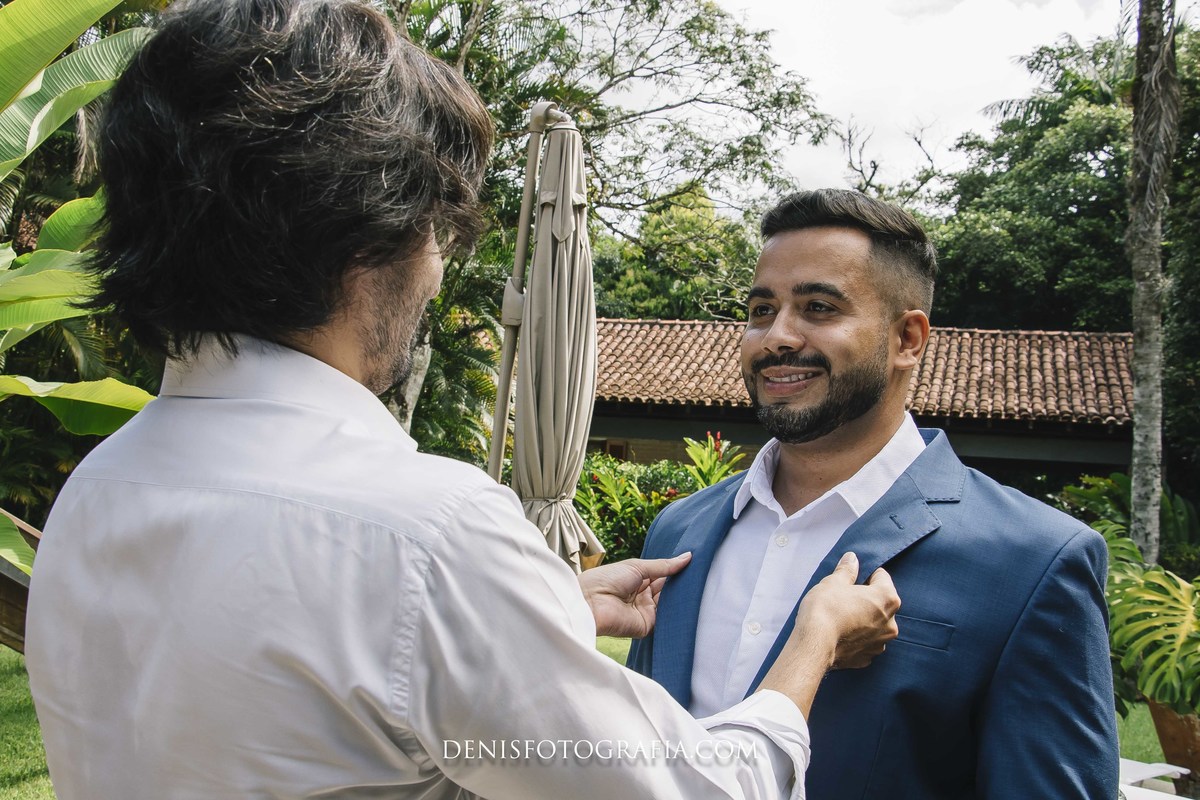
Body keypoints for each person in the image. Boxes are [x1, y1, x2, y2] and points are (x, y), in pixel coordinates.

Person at [23, 3, 901, 798]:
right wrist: (813, 641)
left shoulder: (102, 487)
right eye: (436, 229)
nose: (439, 268)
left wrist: (544, 606)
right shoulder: (425, 531)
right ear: (371, 236)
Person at [627, 189, 1120, 799]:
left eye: (818, 307)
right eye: (761, 310)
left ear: (909, 339)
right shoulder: (680, 529)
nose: (776, 336)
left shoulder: (1033, 560)